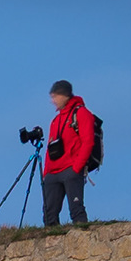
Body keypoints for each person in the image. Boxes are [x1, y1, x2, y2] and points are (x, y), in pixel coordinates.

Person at [24, 80, 97, 226]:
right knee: (49, 214)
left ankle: (82, 240)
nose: (53, 101)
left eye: (55, 96)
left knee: (76, 211)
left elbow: (88, 142)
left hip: (71, 169)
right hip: (53, 172)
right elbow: (50, 147)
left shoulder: (82, 113)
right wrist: (47, 173)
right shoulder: (55, 120)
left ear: (65, 95)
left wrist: (77, 167)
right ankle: (52, 246)